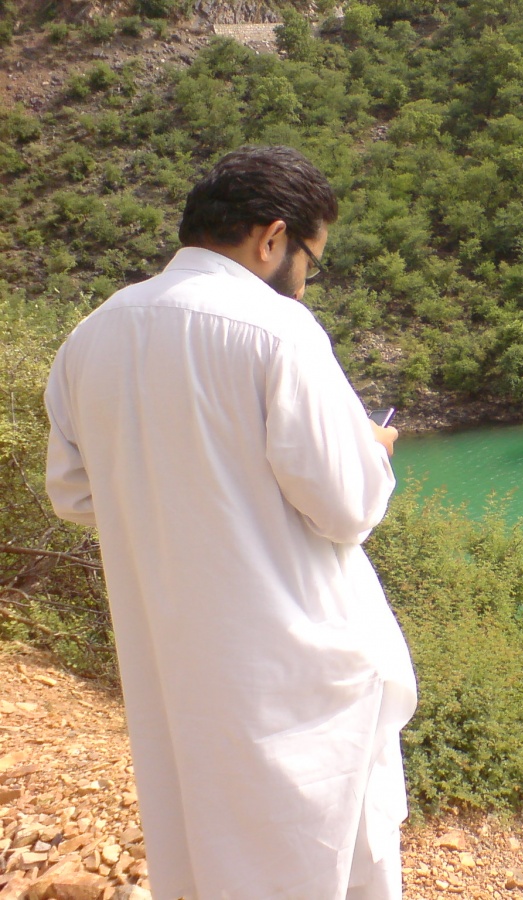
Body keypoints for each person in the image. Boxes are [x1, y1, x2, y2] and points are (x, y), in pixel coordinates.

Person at [43, 146, 418, 900]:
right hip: (298, 673)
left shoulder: (92, 337)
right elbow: (347, 507)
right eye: (311, 257)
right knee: (326, 858)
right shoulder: (279, 331)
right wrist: (373, 454)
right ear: (272, 238)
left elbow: (75, 494)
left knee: (206, 852)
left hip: (177, 668)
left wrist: (178, 501)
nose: (307, 278)